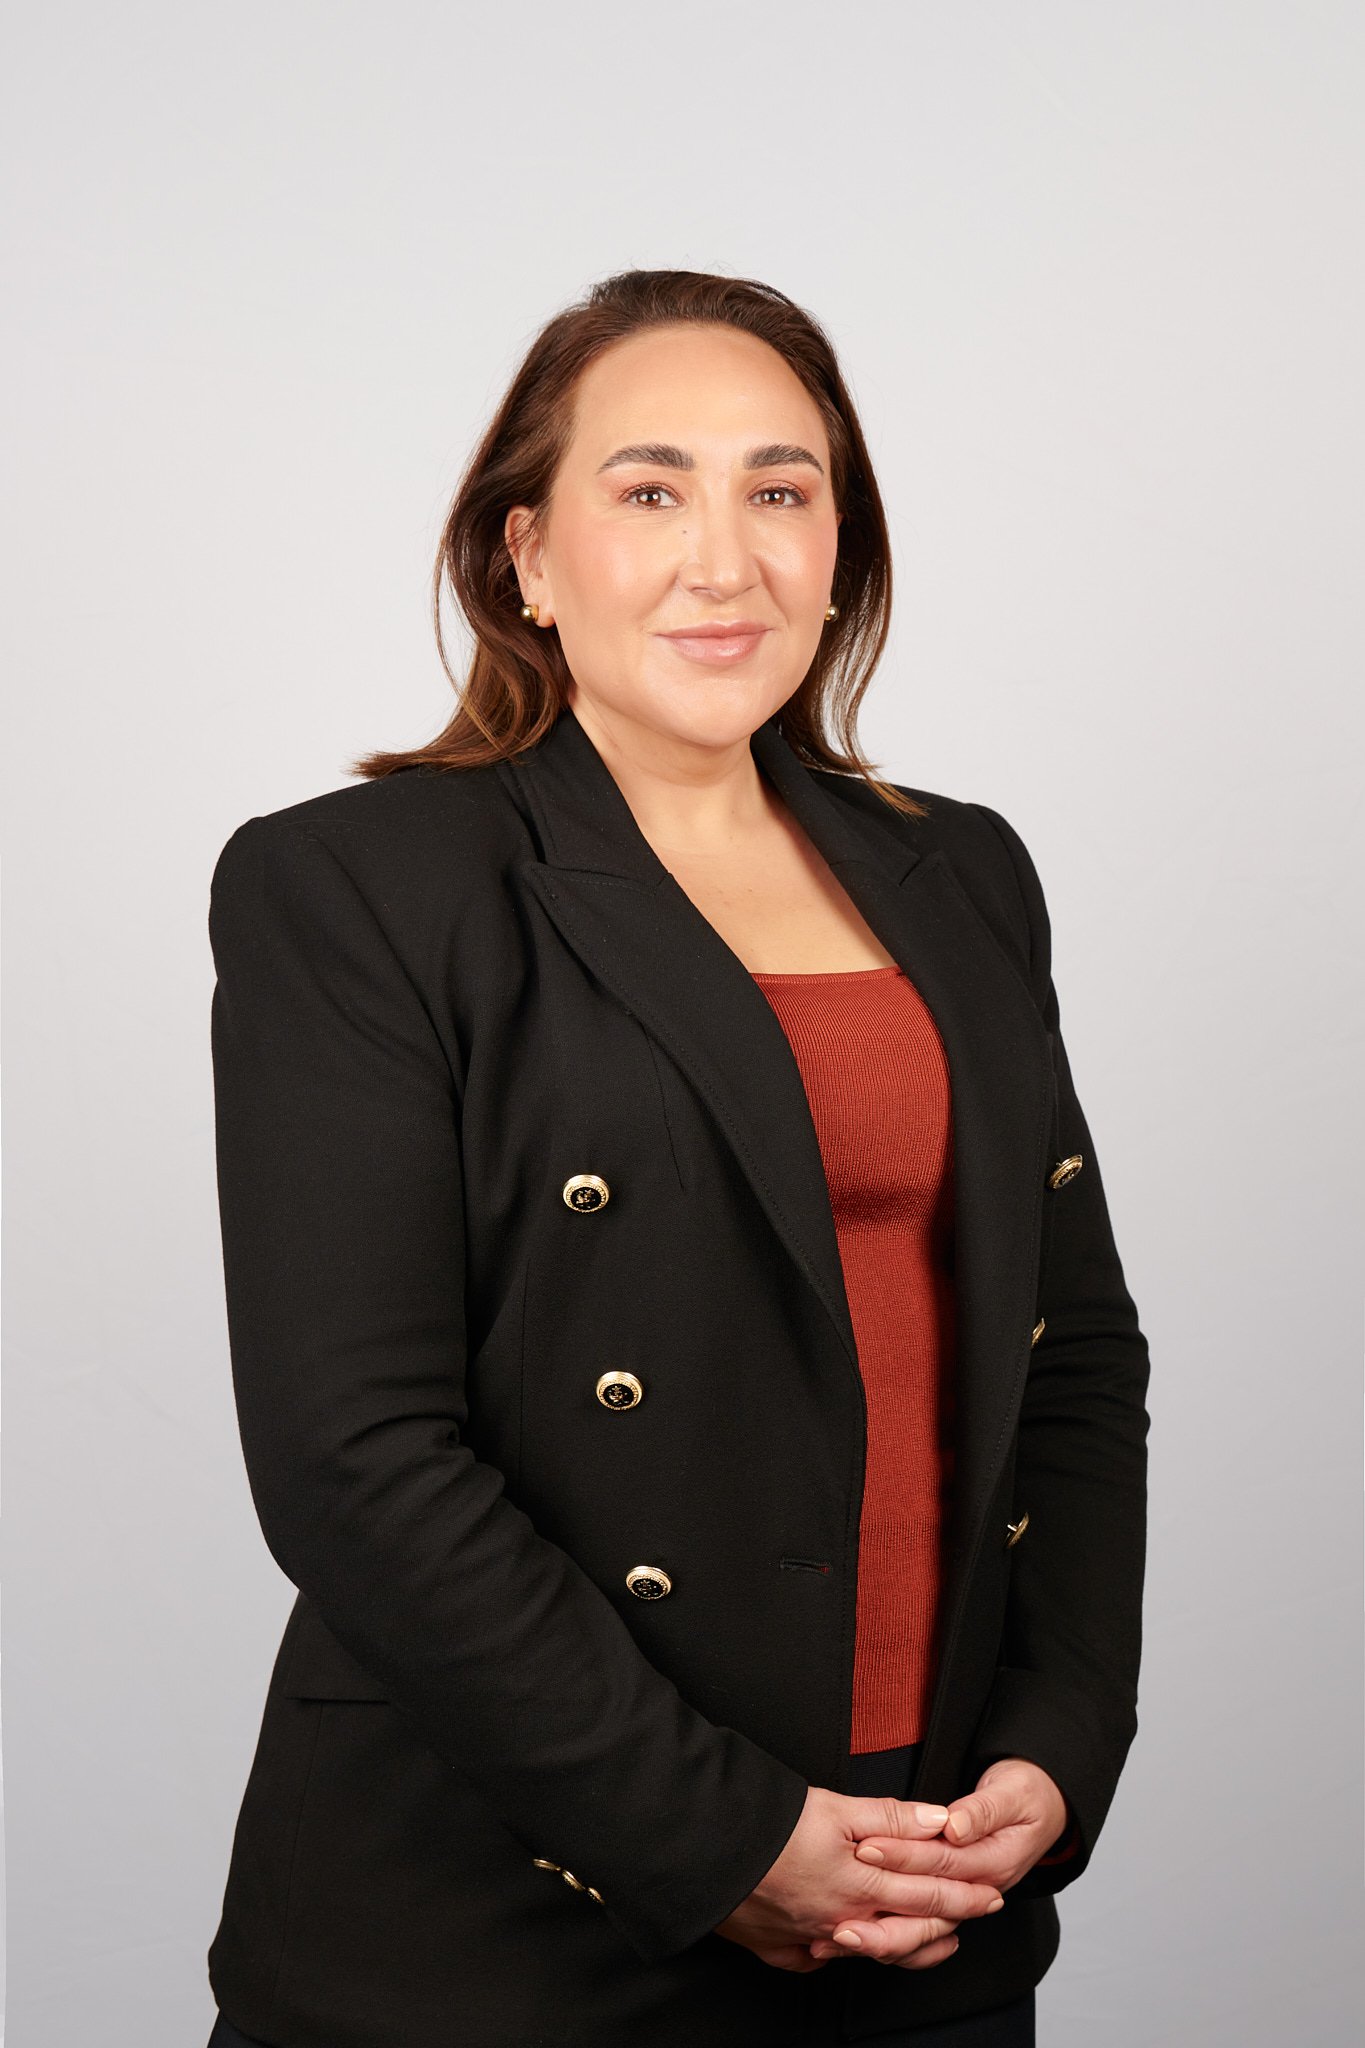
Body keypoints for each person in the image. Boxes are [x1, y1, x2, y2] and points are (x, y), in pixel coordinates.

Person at [202, 268, 1150, 2048]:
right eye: (650, 491)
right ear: (526, 560)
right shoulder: (357, 887)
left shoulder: (963, 876)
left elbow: (1072, 1361)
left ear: (839, 548)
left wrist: (1056, 1740)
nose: (727, 559)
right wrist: (724, 1838)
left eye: (780, 491)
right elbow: (354, 1456)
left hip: (920, 1893)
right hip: (507, 1919)